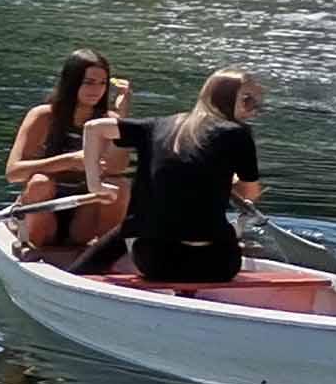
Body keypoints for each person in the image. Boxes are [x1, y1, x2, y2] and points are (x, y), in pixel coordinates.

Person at [77, 68, 264, 283]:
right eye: (249, 102)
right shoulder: (239, 134)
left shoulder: (157, 126)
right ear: (228, 99)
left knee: (137, 223)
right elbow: (250, 193)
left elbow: (93, 128)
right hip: (218, 265)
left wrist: (95, 185)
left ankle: (77, 274)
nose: (254, 111)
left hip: (156, 262)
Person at [5, 49, 130, 252]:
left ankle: (104, 253)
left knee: (120, 186)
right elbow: (13, 173)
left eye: (102, 84)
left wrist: (122, 120)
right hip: (43, 212)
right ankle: (33, 248)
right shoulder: (43, 116)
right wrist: (69, 160)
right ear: (72, 82)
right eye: (88, 82)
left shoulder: (109, 120)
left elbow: (116, 168)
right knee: (40, 183)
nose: (96, 90)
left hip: (83, 214)